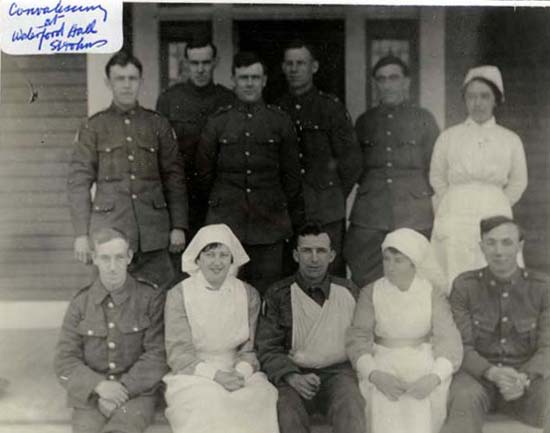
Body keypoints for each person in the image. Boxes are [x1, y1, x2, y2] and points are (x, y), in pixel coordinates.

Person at [67, 51, 188, 290]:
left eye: (132, 78)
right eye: (119, 79)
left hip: (154, 233)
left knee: (157, 299)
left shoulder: (157, 124)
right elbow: (78, 182)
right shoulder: (94, 127)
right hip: (110, 231)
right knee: (112, 300)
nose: (126, 85)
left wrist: (178, 226)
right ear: (108, 82)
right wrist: (81, 234)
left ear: (140, 81)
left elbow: (174, 177)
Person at [197, 51, 304, 294]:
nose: (249, 83)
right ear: (233, 80)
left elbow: (291, 177)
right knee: (223, 292)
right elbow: (204, 174)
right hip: (226, 223)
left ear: (264, 80)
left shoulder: (280, 121)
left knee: (267, 292)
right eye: (243, 77)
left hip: (269, 225)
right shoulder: (218, 122)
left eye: (255, 77)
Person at [163, 224, 279, 433]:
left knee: (262, 396)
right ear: (197, 259)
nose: (217, 262)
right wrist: (216, 376)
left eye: (224, 255)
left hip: (238, 370)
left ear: (232, 259)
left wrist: (239, 374)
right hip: (194, 374)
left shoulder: (248, 294)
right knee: (210, 401)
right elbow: (179, 353)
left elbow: (249, 348)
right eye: (210, 254)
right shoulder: (179, 294)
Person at [346, 228, 462, 433]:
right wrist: (374, 374)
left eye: (398, 260)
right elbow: (358, 338)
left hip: (423, 359)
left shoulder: (431, 292)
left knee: (422, 400)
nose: (390, 267)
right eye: (386, 259)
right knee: (384, 400)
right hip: (382, 360)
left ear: (413, 262)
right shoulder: (371, 292)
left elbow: (448, 340)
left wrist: (433, 377)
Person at [441, 216, 549, 433]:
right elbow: (461, 346)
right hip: (477, 378)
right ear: (481, 247)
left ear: (520, 246)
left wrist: (525, 378)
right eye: (491, 243)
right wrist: (491, 372)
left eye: (507, 242)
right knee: (464, 397)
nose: (498, 251)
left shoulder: (542, 288)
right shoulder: (465, 286)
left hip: (526, 380)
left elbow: (548, 347)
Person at [54, 228, 168, 433]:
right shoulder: (81, 303)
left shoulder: (149, 299)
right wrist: (100, 386)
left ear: (129, 257)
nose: (113, 267)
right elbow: (64, 360)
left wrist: (122, 390)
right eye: (105, 258)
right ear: (95, 258)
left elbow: (158, 355)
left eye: (119, 257)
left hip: (136, 394)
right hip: (91, 395)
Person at [256, 222, 366, 433]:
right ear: (296, 255)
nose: (314, 258)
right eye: (307, 250)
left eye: (321, 251)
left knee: (351, 406)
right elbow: (267, 347)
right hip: (295, 375)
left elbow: (363, 337)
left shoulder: (349, 291)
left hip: (338, 374)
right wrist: (291, 376)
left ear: (332, 255)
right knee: (286, 412)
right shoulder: (279, 294)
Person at [345, 54, 440, 288]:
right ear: (375, 84)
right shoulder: (364, 121)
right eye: (381, 79)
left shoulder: (424, 119)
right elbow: (354, 167)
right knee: (366, 274)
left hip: (413, 213)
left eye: (394, 78)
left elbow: (435, 168)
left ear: (406, 82)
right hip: (370, 214)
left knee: (416, 276)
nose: (387, 85)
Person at [430, 66, 528, 289]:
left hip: (494, 208)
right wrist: (453, 200)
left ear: (496, 100)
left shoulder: (510, 140)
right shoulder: (449, 137)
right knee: (454, 268)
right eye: (471, 96)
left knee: (494, 264)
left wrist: (496, 201)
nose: (478, 103)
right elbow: (437, 176)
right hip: (455, 210)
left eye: (485, 96)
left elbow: (518, 182)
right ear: (464, 100)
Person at [277, 40, 362, 276]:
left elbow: (351, 162)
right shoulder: (277, 108)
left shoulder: (331, 108)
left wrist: (330, 192)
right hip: (290, 211)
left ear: (314, 67)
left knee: (330, 276)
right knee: (292, 276)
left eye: (301, 63)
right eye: (290, 64)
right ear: (283, 68)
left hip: (326, 211)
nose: (294, 69)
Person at [156, 39, 234, 240]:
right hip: (183, 197)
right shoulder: (169, 99)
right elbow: (161, 154)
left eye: (206, 63)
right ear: (185, 63)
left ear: (215, 62)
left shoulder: (228, 100)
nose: (200, 69)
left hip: (220, 197)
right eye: (194, 63)